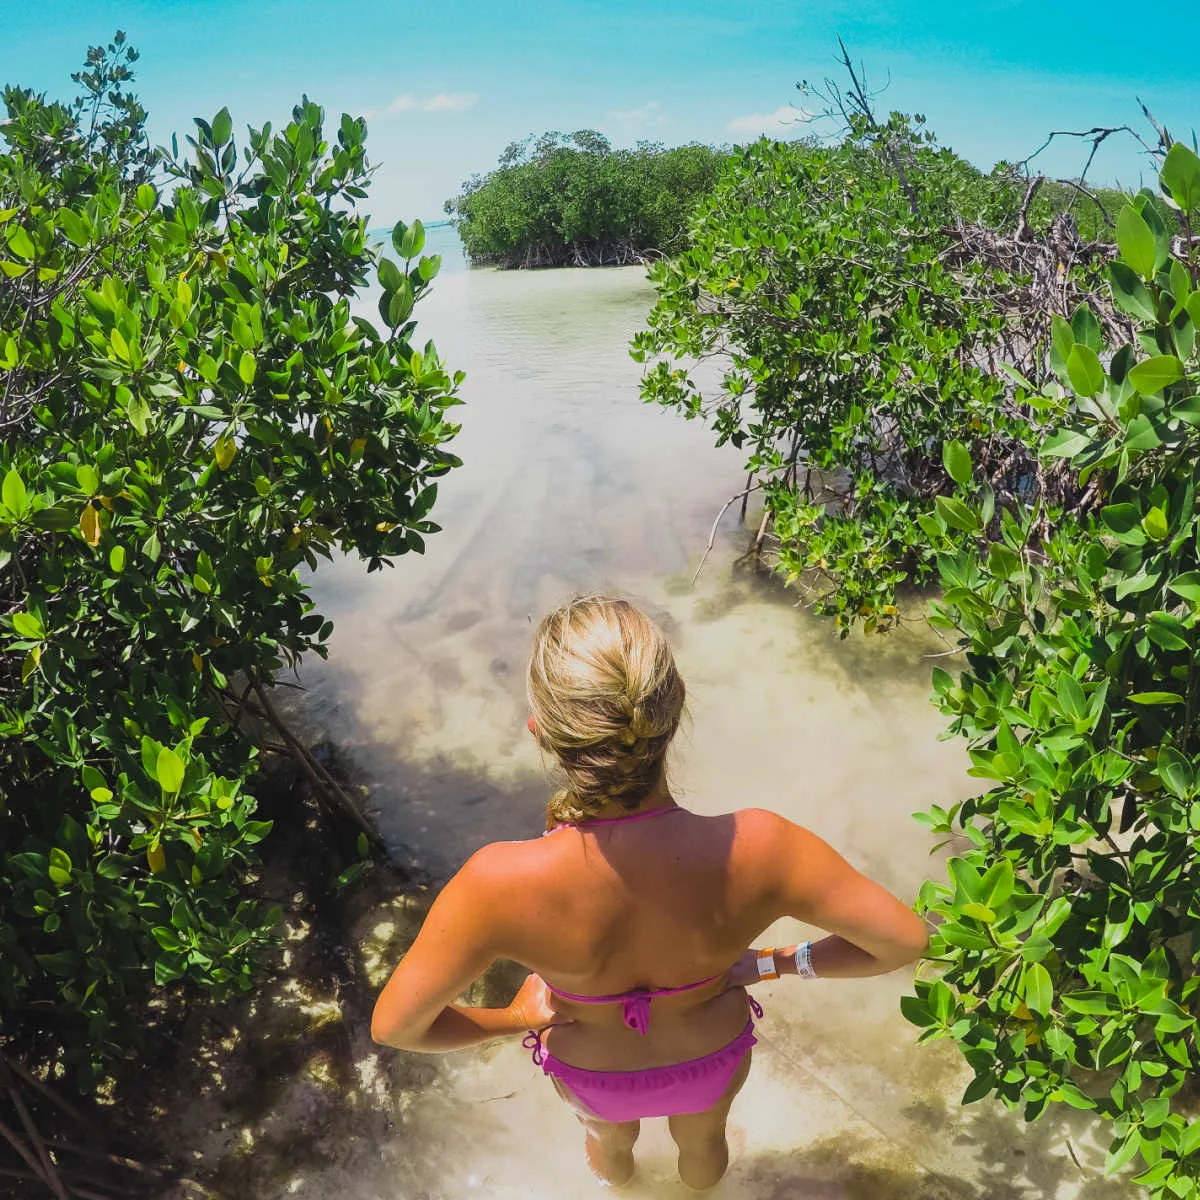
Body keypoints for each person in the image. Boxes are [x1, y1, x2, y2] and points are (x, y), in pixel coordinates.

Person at [371, 596, 929, 1190]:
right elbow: (901, 943)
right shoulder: (763, 846)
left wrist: (513, 1018)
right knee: (706, 1145)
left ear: (542, 734)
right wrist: (772, 964)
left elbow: (399, 1029)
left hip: (593, 1071)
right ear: (676, 709)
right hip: (708, 1056)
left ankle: (623, 1184)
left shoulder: (496, 882)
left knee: (606, 1143)